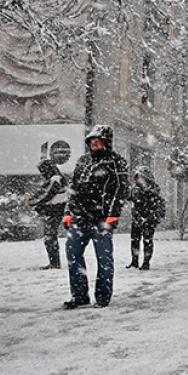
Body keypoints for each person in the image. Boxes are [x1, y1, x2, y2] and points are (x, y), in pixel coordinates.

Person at [61, 125, 129, 309]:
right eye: (92, 140)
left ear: (106, 141)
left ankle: (102, 297)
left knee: (104, 259)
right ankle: (79, 295)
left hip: (102, 219)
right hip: (79, 218)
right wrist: (68, 213)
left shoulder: (116, 162)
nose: (94, 142)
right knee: (73, 255)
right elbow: (72, 188)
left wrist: (113, 215)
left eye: (98, 139)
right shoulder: (83, 161)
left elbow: (121, 190)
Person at [27, 159, 68, 269]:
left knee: (50, 237)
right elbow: (44, 192)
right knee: (50, 237)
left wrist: (32, 202)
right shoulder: (56, 178)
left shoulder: (55, 179)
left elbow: (46, 195)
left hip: (54, 211)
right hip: (55, 211)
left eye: (42, 170)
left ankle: (54, 263)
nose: (41, 173)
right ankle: (54, 262)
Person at [127, 166, 166, 271]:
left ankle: (146, 262)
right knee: (135, 240)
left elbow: (158, 206)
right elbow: (130, 199)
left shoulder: (154, 191)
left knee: (147, 241)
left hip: (149, 220)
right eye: (138, 176)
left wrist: (150, 217)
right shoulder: (135, 190)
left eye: (142, 177)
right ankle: (134, 261)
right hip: (137, 219)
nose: (140, 179)